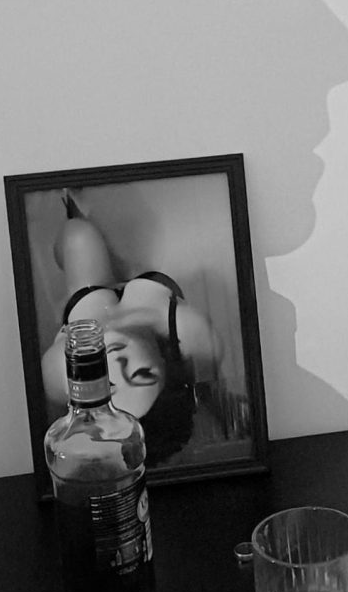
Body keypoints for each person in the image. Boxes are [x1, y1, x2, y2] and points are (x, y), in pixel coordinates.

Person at [41, 192, 224, 465]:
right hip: (152, 254)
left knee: (78, 235)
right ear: (167, 369)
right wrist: (154, 319)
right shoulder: (186, 334)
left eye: (110, 384)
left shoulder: (71, 369)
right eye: (141, 373)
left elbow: (49, 375)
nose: (119, 362)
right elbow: (212, 346)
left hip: (88, 278)